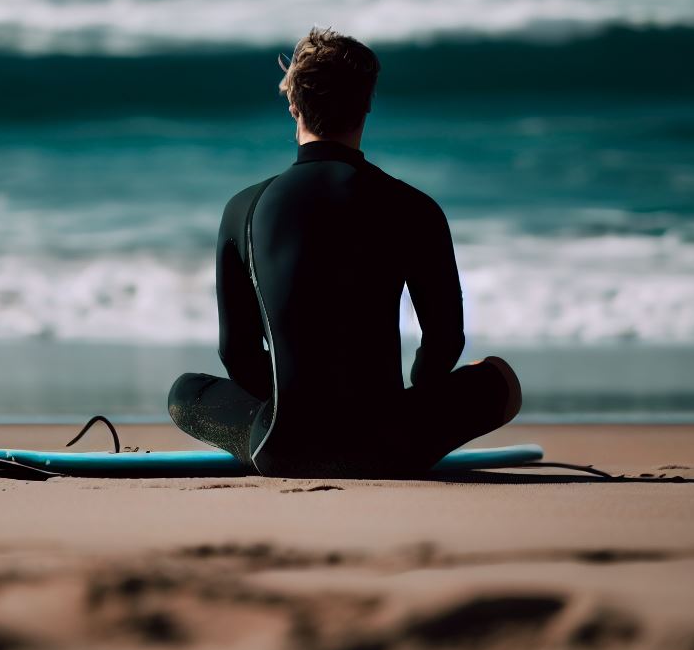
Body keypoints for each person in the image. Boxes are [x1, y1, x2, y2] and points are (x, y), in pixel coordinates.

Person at [169, 26, 521, 478]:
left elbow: (235, 352)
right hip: (391, 447)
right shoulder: (414, 207)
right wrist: (417, 398)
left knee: (185, 393)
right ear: (368, 103)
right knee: (498, 378)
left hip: (282, 447)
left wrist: (287, 402)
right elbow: (445, 342)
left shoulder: (244, 209)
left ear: (293, 103)